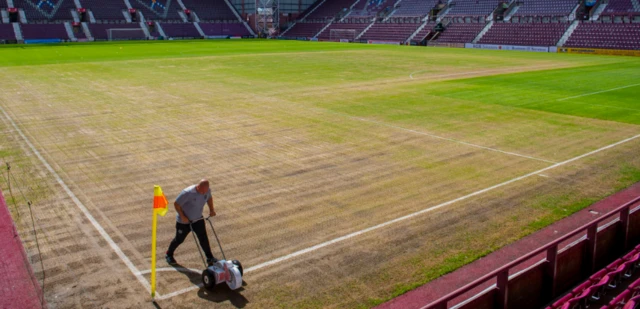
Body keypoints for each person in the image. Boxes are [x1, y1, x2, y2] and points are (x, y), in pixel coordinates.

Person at [166, 179, 217, 266]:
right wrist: (182, 216)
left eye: (205, 191)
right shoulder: (187, 193)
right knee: (179, 239)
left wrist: (211, 209)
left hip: (198, 220)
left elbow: (209, 198)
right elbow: (176, 204)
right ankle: (169, 254)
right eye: (202, 191)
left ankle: (209, 257)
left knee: (203, 238)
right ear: (198, 187)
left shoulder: (207, 191)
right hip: (184, 222)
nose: (203, 193)